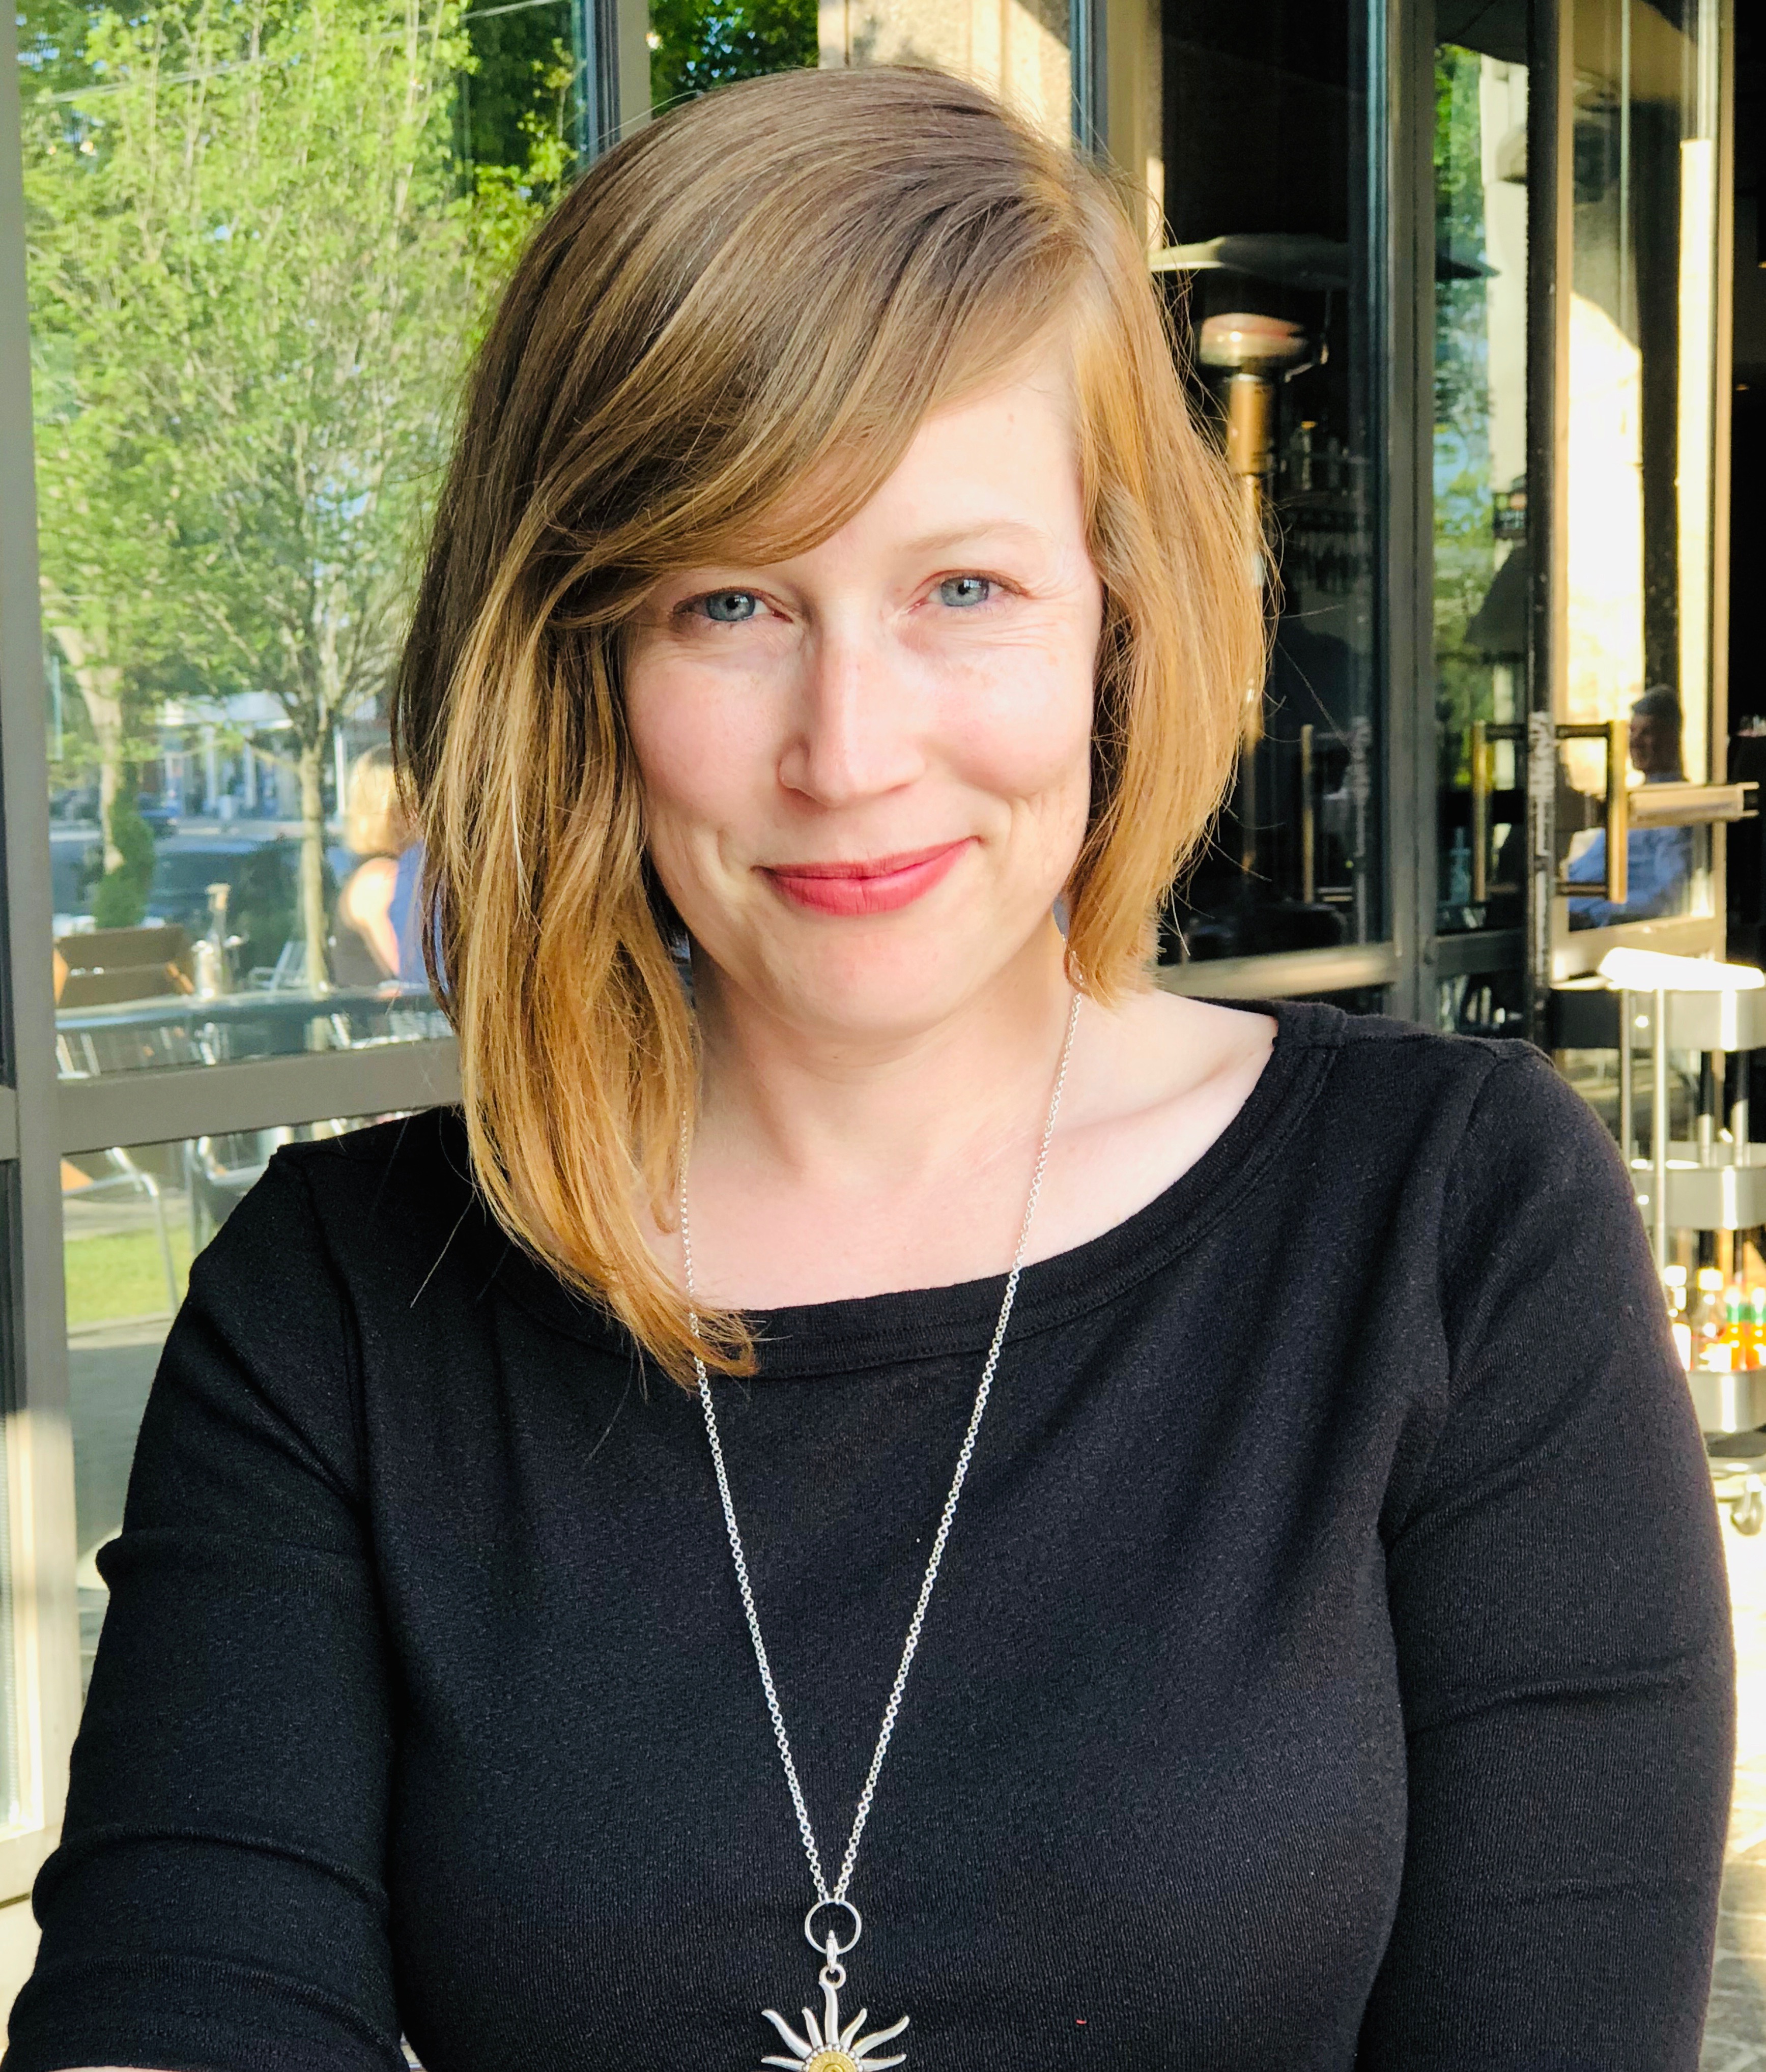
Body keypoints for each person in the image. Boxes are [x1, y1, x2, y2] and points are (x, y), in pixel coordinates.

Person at [5, 67, 1731, 2072]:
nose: (850, 747)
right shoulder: (344, 1302)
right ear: (580, 658)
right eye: (728, 600)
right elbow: (182, 1991)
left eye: (962, 589)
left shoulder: (1451, 1229)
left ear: (1115, 612)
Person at [1567, 686, 1695, 928]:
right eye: (1632, 732)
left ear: (1671, 738)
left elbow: (1669, 897)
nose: (1635, 742)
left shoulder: (1672, 807)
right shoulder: (1635, 799)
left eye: (1647, 733)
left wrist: (1595, 916)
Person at [334, 745, 418, 984]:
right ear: (392, 811)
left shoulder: (374, 872)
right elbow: (411, 973)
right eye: (418, 800)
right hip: (390, 1021)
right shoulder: (381, 879)